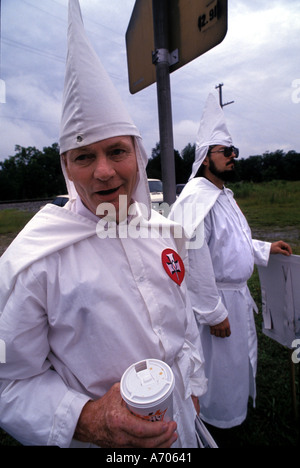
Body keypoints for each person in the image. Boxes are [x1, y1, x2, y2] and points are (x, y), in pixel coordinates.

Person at [0, 0, 208, 448]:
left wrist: (191, 385)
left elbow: (184, 324)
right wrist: (89, 419)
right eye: (84, 157)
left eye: (116, 151)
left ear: (138, 155)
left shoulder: (163, 233)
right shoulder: (36, 262)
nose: (104, 172)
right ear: (67, 169)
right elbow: (9, 384)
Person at [169, 93, 292, 441]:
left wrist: (266, 248)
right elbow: (192, 257)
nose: (233, 157)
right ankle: (215, 423)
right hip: (216, 305)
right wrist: (212, 311)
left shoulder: (223, 195)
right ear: (206, 156)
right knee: (218, 372)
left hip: (235, 301)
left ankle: (232, 415)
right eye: (226, 151)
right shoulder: (196, 197)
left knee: (236, 366)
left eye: (234, 151)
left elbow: (233, 242)